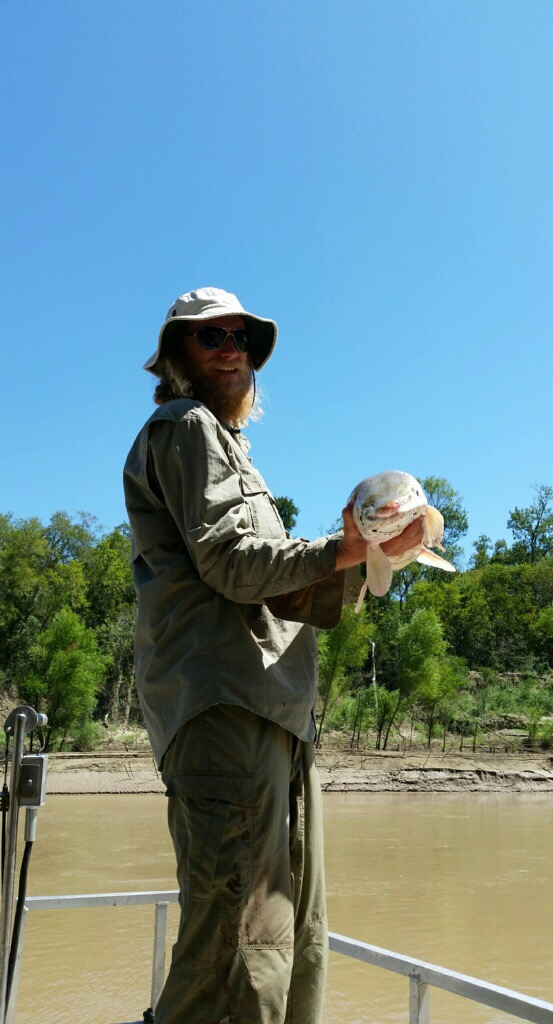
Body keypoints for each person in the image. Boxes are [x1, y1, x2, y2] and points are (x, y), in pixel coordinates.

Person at [123, 286, 424, 1024]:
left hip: (272, 717)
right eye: (211, 338)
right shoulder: (185, 426)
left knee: (292, 939)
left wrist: (364, 558)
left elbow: (279, 593)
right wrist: (339, 546)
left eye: (243, 341)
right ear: (174, 357)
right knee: (235, 952)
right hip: (227, 709)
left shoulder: (232, 452)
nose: (233, 351)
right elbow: (231, 561)